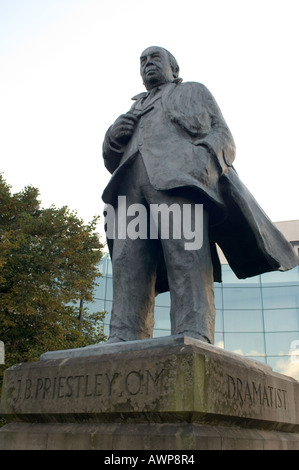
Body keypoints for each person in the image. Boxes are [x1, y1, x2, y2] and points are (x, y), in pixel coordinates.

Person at [102, 46, 298, 344]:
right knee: (128, 263)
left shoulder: (192, 91)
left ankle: (193, 330)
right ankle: (124, 334)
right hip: (128, 189)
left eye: (155, 58)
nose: (148, 63)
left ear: (174, 69)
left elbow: (223, 134)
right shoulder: (133, 109)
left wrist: (202, 163)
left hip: (177, 183)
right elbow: (111, 159)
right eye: (142, 60)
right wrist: (112, 138)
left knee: (186, 256)